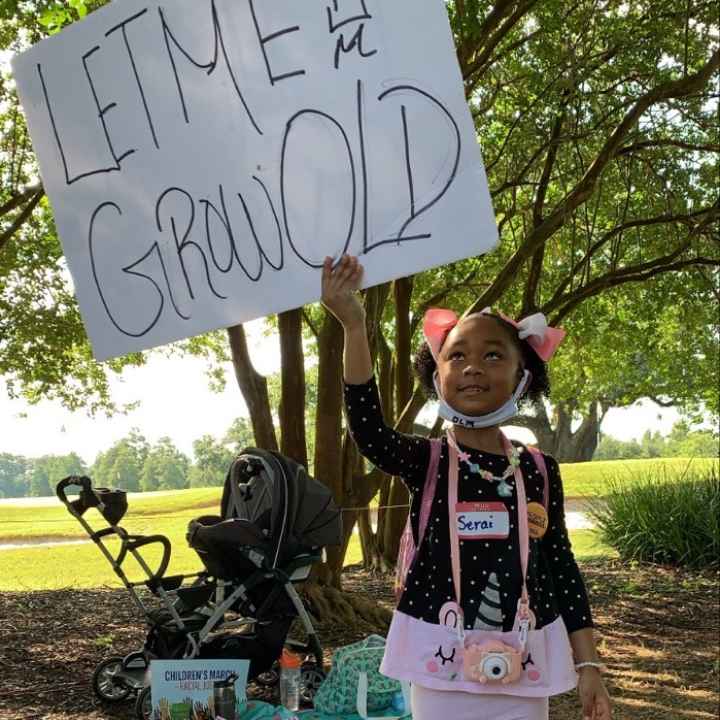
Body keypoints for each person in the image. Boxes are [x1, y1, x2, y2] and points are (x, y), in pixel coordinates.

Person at [321, 255, 612, 720]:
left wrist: (589, 664)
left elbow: (561, 565)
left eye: (493, 354)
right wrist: (355, 327)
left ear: (524, 376)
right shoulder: (428, 460)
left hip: (524, 664)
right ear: (438, 376)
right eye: (457, 355)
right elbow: (368, 430)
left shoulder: (540, 470)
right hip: (440, 671)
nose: (473, 367)